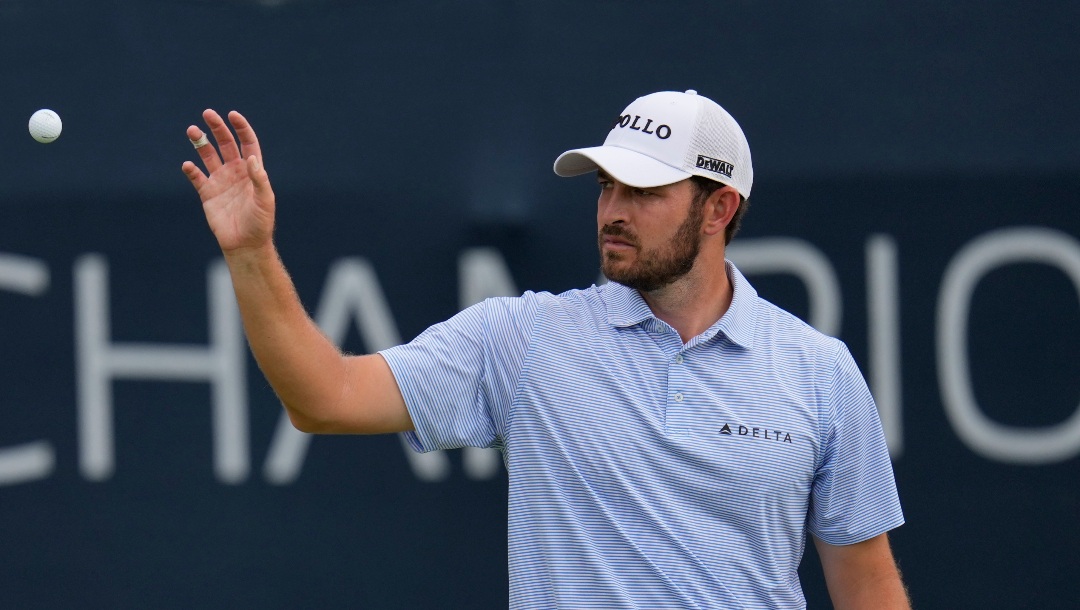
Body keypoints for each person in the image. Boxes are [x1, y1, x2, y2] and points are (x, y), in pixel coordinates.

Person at [182, 89, 910, 609]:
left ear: (719, 209)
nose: (613, 211)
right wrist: (251, 251)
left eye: (645, 192)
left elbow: (867, 584)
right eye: (606, 186)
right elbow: (324, 397)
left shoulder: (819, 371)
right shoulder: (521, 339)